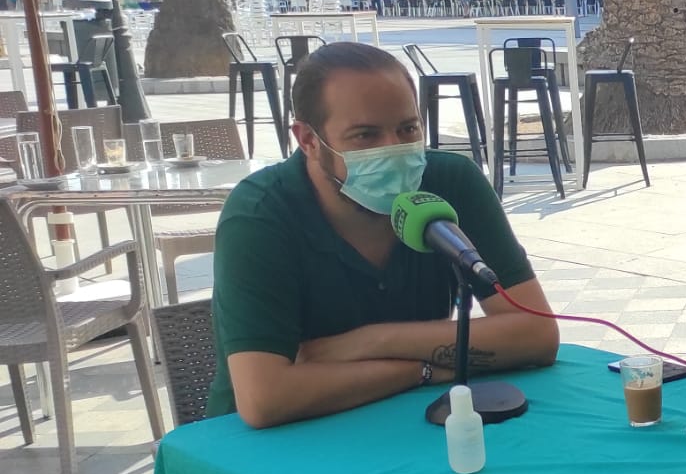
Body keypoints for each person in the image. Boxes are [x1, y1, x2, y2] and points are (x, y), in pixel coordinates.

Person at [208, 43, 559, 428]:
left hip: (410, 426)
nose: (394, 150)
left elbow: (536, 334)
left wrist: (368, 343)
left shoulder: (452, 183)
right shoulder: (259, 214)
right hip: (269, 450)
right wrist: (420, 372)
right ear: (308, 140)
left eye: (408, 129)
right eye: (365, 136)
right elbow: (265, 398)